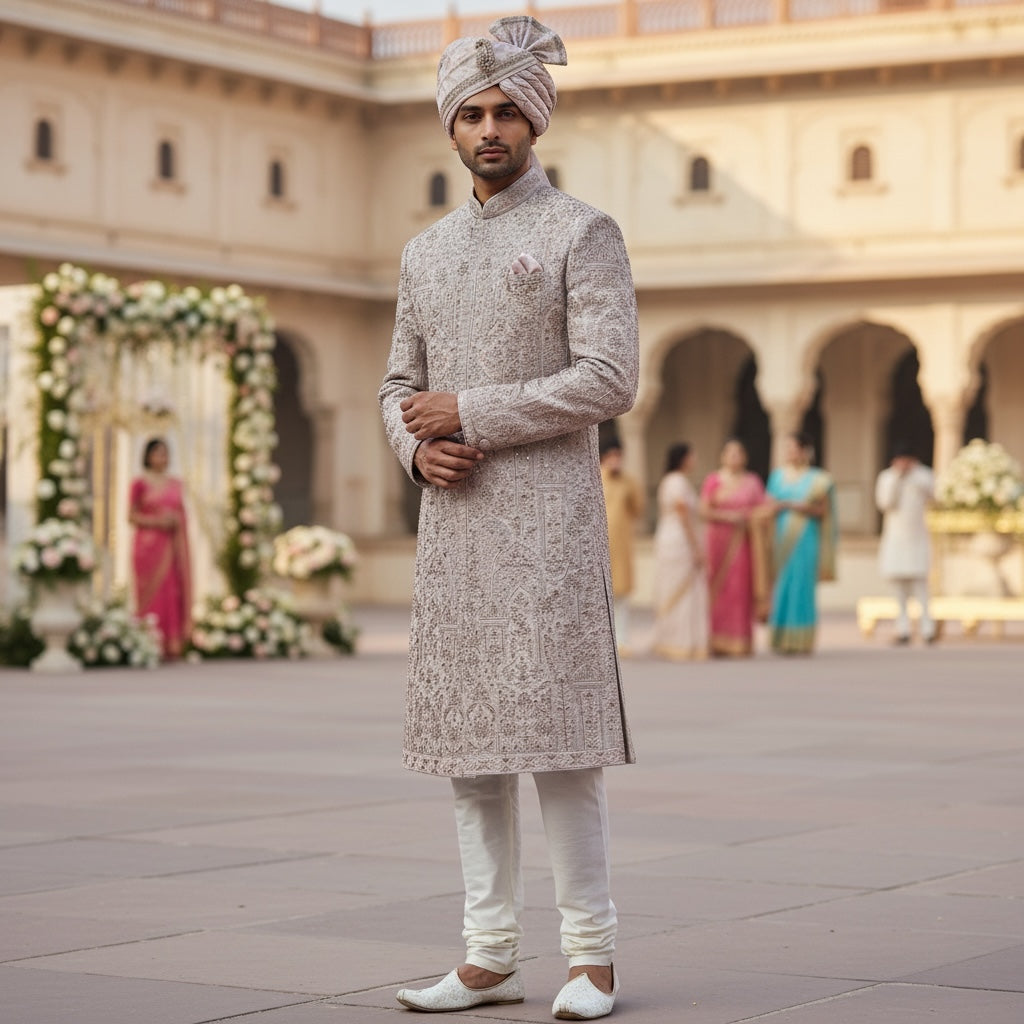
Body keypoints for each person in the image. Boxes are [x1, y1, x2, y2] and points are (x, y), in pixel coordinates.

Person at [378, 17, 637, 1021]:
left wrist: (471, 411)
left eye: (506, 112)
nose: (489, 129)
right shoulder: (424, 253)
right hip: (455, 529)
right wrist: (416, 448)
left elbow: (609, 378)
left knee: (560, 743)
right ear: (450, 127)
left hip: (550, 527)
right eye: (471, 114)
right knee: (469, 750)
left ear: (534, 120)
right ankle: (488, 956)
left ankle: (592, 957)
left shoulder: (581, 231)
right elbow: (397, 387)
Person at [766, 432, 837, 655]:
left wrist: (795, 506)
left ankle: (802, 640)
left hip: (806, 537)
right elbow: (768, 505)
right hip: (782, 537)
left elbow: (823, 511)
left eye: (794, 448)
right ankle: (780, 638)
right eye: (787, 448)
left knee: (802, 586)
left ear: (805, 451)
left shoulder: (819, 479)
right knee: (783, 585)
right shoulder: (777, 477)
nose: (790, 453)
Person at [699, 439, 767, 656]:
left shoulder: (752, 482)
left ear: (745, 457)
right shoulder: (713, 480)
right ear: (722, 457)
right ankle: (716, 640)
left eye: (738, 453)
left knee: (739, 588)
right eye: (730, 453)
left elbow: (763, 510)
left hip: (743, 541)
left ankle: (740, 641)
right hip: (718, 540)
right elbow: (704, 511)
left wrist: (750, 517)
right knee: (717, 587)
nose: (734, 457)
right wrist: (729, 516)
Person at [128, 437, 192, 659]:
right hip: (146, 547)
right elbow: (131, 516)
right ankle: (147, 642)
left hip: (170, 547)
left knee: (170, 591)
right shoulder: (139, 483)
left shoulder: (176, 484)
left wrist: (175, 522)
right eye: (157, 453)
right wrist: (158, 522)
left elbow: (181, 514)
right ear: (147, 456)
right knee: (149, 594)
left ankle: (171, 644)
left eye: (165, 453)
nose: (162, 458)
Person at [652, 442, 708, 660]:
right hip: (679, 540)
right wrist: (696, 547)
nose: (695, 460)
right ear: (683, 458)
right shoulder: (676, 482)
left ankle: (677, 640)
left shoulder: (672, 481)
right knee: (681, 589)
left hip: (670, 536)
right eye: (692, 456)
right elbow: (683, 515)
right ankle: (679, 641)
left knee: (680, 589)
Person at [875, 442, 936, 644]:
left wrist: (913, 475)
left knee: (921, 586)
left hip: (917, 537)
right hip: (895, 539)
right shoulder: (887, 477)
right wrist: (898, 478)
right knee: (898, 589)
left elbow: (935, 495)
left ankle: (927, 629)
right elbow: (885, 503)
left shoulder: (923, 475)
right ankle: (902, 629)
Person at [600, 436, 644, 654]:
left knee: (622, 595)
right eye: (611, 456)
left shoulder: (629, 481)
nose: (615, 460)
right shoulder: (597, 477)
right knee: (601, 593)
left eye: (618, 456)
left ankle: (622, 640)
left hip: (622, 544)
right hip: (600, 545)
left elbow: (638, 509)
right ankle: (604, 641)